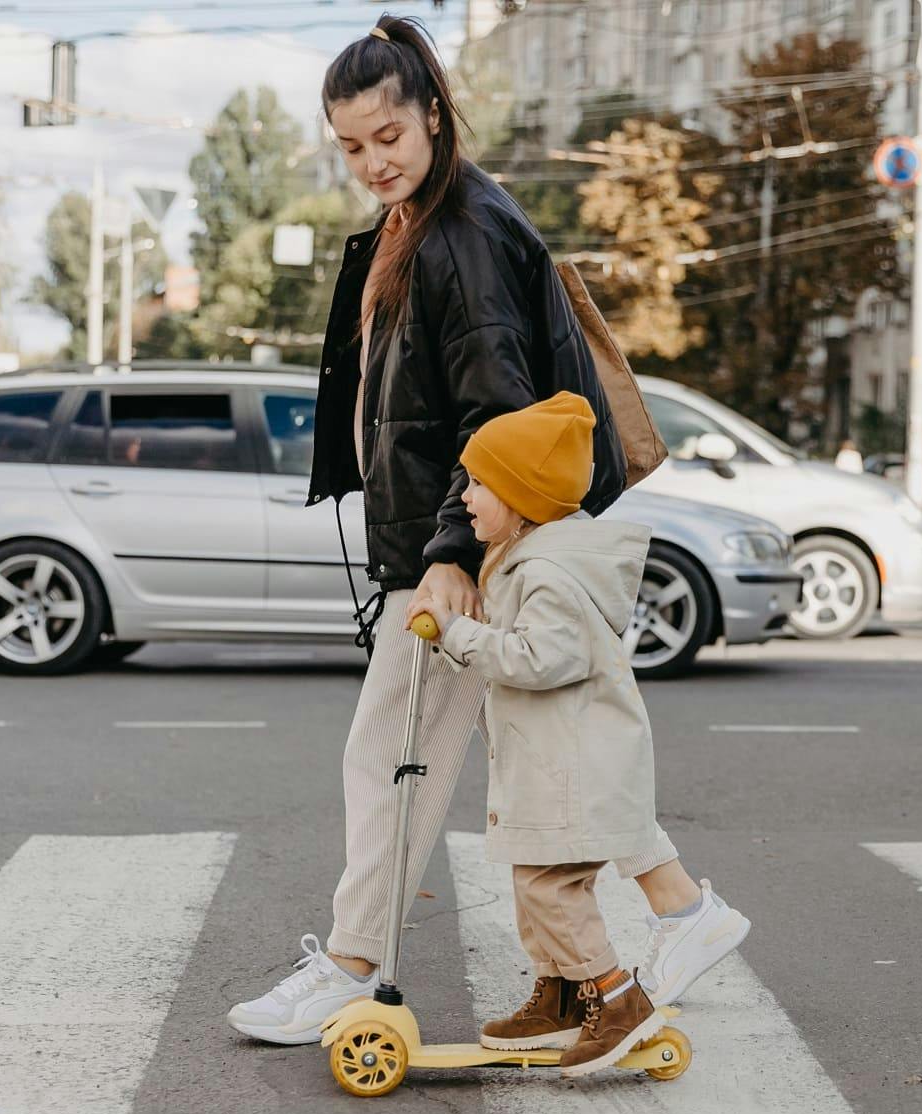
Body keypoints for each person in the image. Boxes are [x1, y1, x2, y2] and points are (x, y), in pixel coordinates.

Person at [226, 16, 750, 1046]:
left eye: (388, 135)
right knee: (550, 761)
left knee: (391, 759)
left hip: (479, 551)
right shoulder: (425, 221)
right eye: (351, 146)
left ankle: (351, 964)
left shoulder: (459, 233)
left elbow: (495, 419)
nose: (373, 161)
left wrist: (451, 559)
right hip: (483, 543)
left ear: (432, 112)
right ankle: (682, 911)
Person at [430, 392, 670, 1076]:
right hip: (552, 763)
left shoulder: (550, 574)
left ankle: (615, 997)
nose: (466, 495)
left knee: (550, 887)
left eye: (480, 483)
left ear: (523, 495)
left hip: (577, 769)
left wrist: (459, 632)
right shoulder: (521, 560)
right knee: (532, 882)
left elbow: (540, 658)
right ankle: (562, 993)